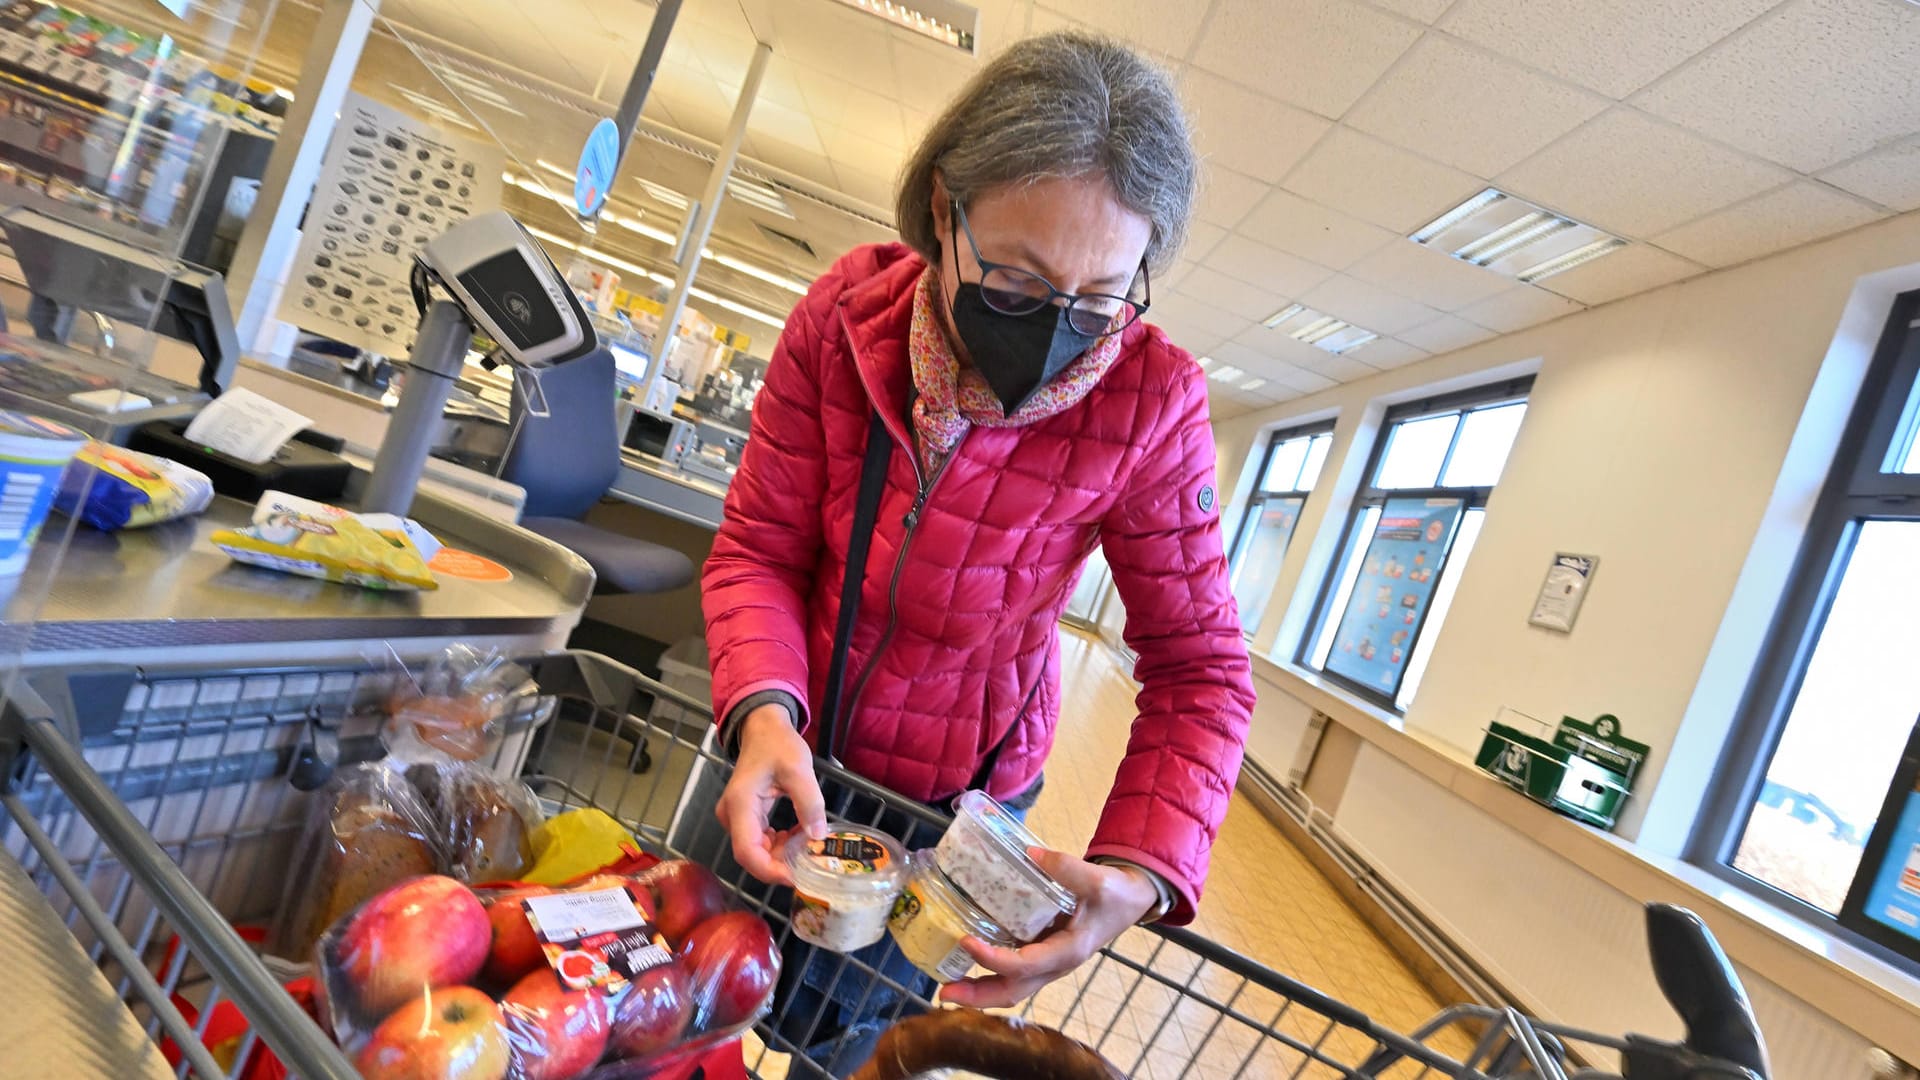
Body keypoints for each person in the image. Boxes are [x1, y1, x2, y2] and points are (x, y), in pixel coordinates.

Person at [699, 30, 1256, 1073]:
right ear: (943, 213)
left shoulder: (1152, 404)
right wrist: (765, 712)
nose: (1055, 329)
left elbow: (1202, 671)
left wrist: (1138, 874)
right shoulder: (844, 321)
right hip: (787, 746)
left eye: (1098, 301)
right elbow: (759, 551)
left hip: (954, 812)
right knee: (700, 986)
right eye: (1015, 278)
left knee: (855, 1041)